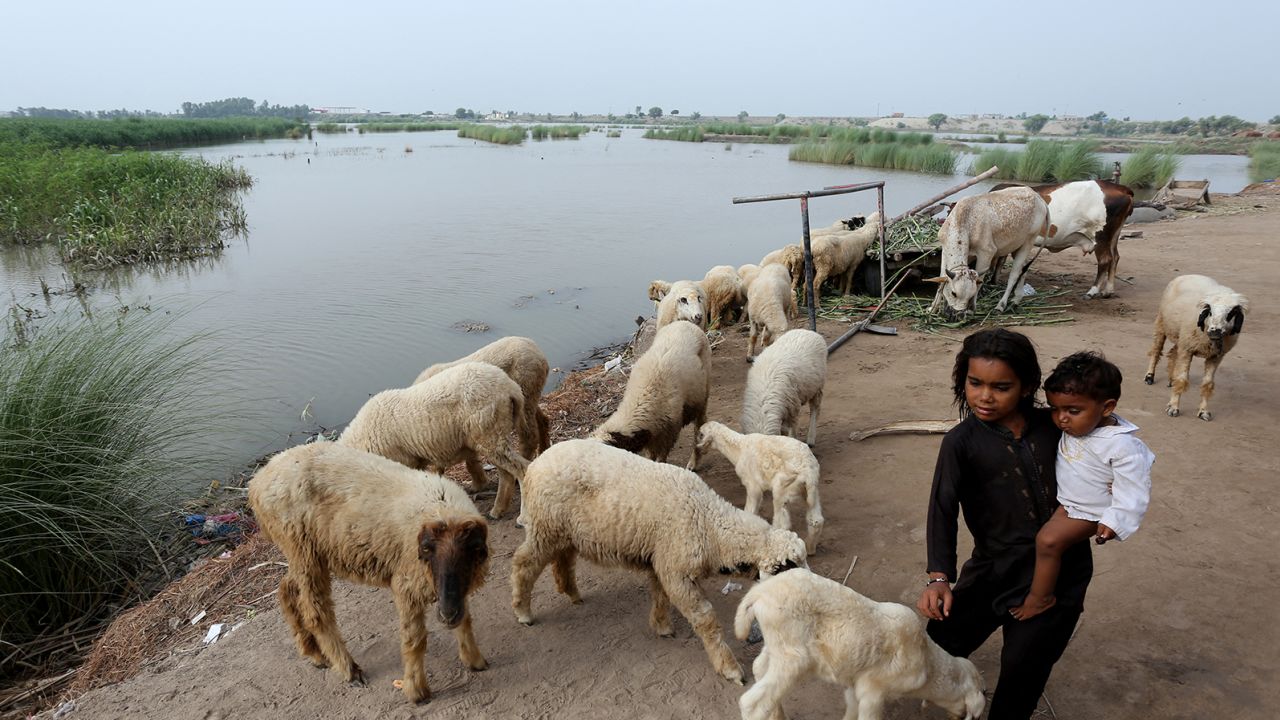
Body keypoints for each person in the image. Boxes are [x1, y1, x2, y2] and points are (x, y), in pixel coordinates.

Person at [918, 328, 1091, 720]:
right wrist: (939, 577)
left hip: (1061, 571)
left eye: (1001, 386)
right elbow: (942, 508)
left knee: (1022, 669)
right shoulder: (961, 443)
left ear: (1028, 385)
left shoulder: (1058, 428)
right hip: (994, 568)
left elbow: (1109, 452)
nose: (985, 396)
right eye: (975, 383)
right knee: (937, 646)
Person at [1010, 352, 1155, 621]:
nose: (1061, 419)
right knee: (1042, 536)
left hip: (1093, 510)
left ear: (1107, 407)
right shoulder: (1080, 425)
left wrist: (1115, 520)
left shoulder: (1122, 445)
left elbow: (1135, 488)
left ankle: (1040, 599)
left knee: (1048, 541)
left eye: (1072, 411)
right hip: (1071, 503)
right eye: (1055, 409)